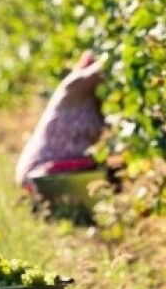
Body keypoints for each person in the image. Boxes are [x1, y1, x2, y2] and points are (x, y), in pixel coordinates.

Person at [15, 50, 105, 191]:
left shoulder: (98, 106)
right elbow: (102, 69)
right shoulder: (71, 87)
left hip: (64, 172)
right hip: (39, 172)